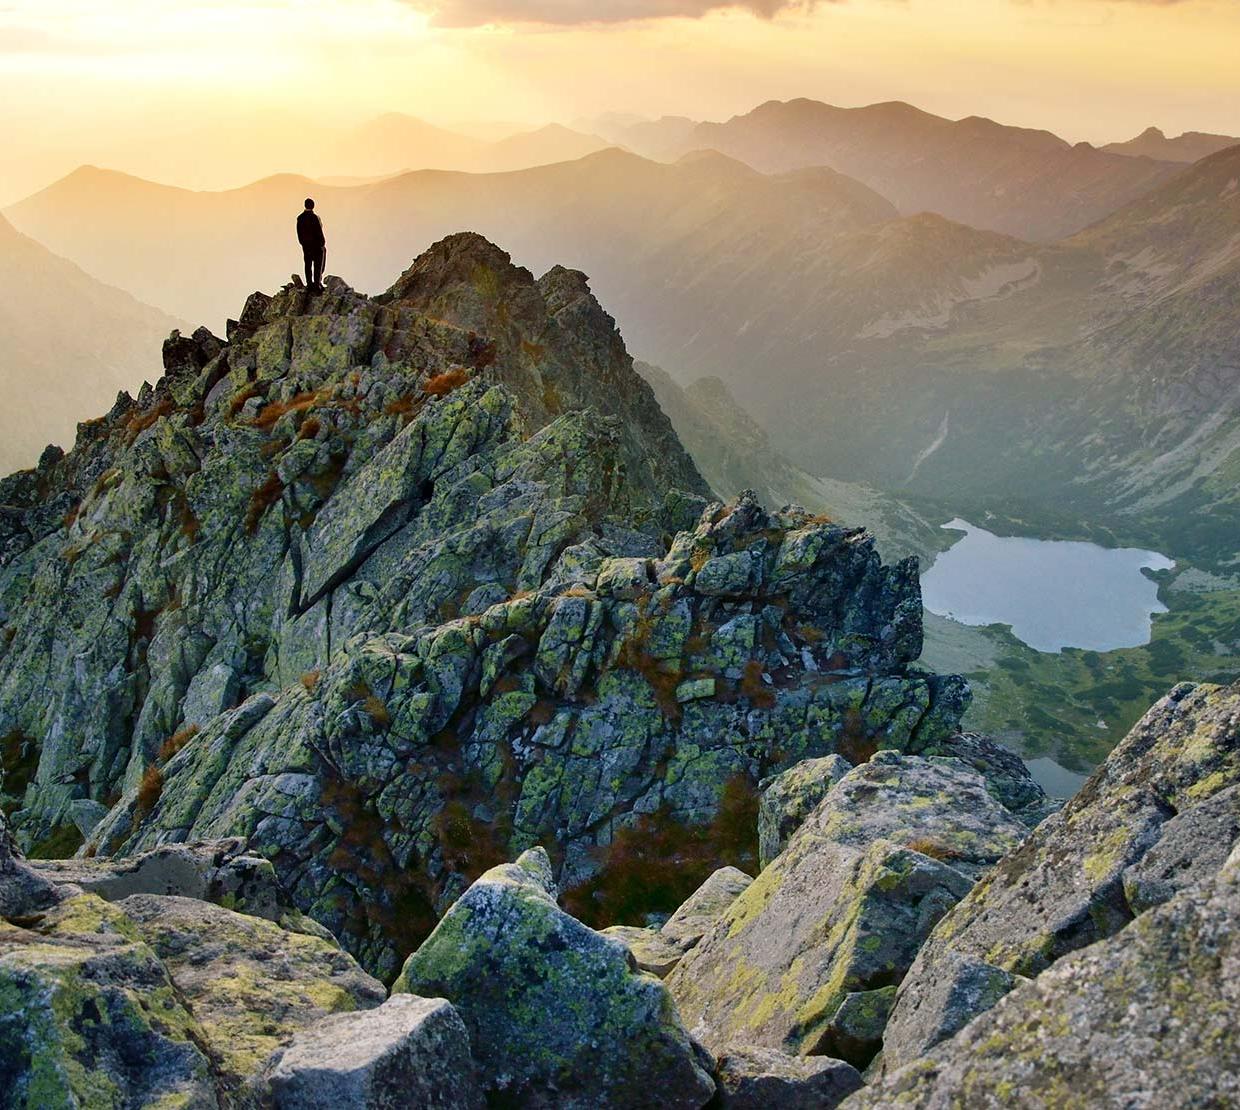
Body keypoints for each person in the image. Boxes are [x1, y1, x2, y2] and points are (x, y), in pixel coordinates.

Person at [296, 198, 326, 292]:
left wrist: (303, 243)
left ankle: (309, 284)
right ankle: (317, 285)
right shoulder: (314, 217)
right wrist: (322, 243)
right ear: (313, 206)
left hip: (306, 246)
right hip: (316, 246)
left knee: (307, 265)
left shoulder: (300, 218)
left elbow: (299, 232)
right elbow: (319, 232)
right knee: (318, 265)